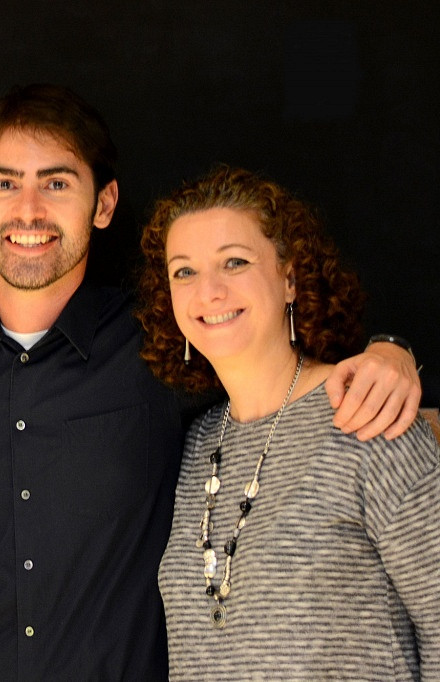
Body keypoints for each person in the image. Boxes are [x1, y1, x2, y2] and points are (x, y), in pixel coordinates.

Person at [0, 84, 423, 680]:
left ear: (103, 205)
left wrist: (396, 351)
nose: (28, 210)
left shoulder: (162, 343)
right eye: (6, 183)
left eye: (56, 183)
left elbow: (287, 364)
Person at [135, 165, 440, 679]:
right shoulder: (193, 448)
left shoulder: (370, 418)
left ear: (291, 278)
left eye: (234, 262)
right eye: (184, 271)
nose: (208, 290)